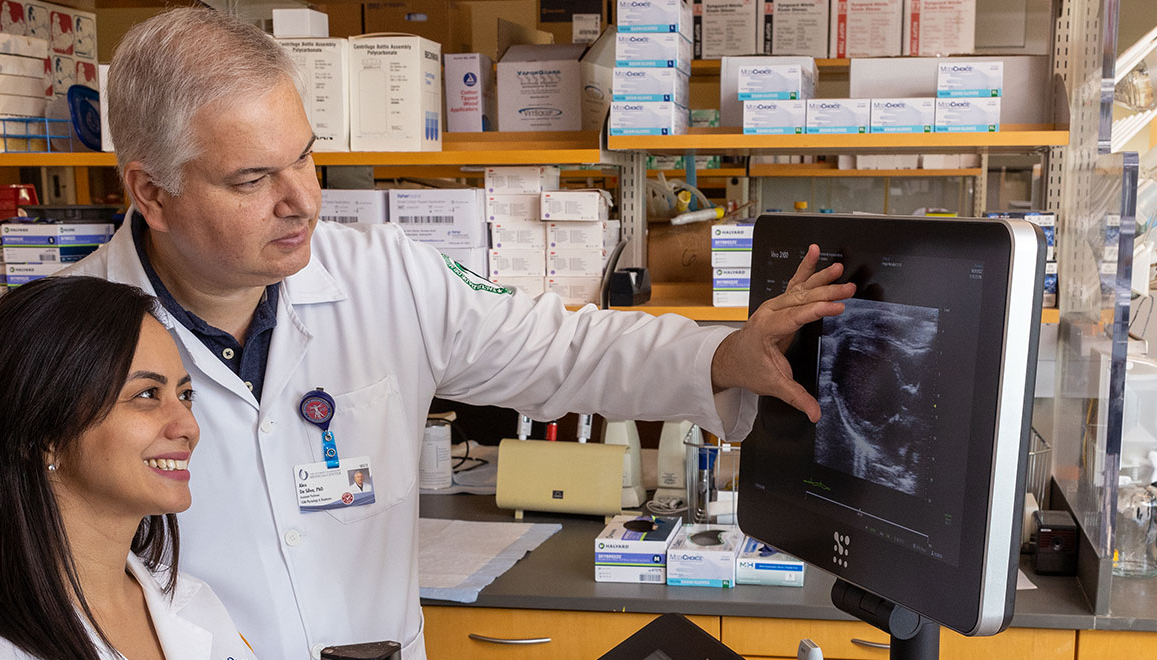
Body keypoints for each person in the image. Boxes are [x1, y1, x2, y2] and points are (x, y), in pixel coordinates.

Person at [73, 9, 854, 658]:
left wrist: (724, 353)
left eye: (306, 159)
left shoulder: (385, 275)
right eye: (252, 180)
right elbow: (20, 579)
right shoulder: (57, 342)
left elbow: (563, 350)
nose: (301, 202)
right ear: (151, 190)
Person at [0, 276, 256, 660]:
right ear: (42, 432)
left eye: (184, 395)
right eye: (147, 394)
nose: (188, 427)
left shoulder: (191, 601)